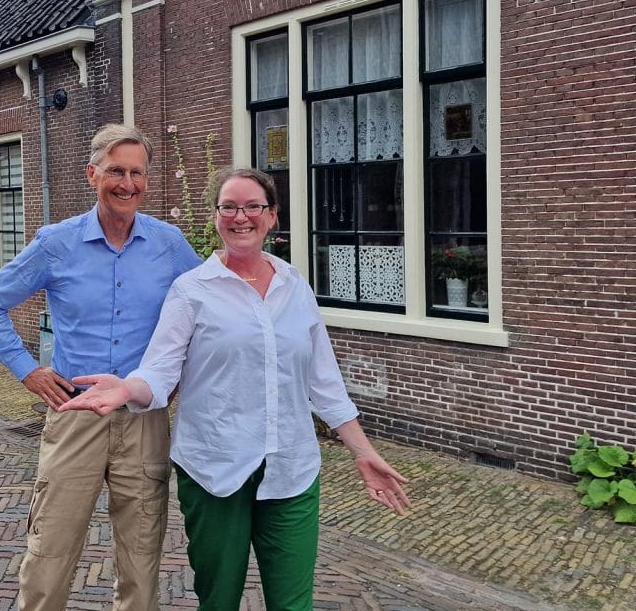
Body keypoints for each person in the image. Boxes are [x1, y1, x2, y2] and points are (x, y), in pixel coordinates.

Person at [58, 167, 410, 611]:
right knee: (219, 599)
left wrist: (363, 452)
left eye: (252, 206)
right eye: (229, 207)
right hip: (213, 470)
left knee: (293, 605)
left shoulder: (295, 285)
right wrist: (128, 389)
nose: (240, 217)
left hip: (292, 468)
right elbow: (160, 372)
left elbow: (323, 380)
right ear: (216, 217)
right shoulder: (192, 290)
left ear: (272, 216)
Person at [0, 123, 202, 611]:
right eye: (116, 171)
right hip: (75, 414)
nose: (127, 184)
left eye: (137, 173)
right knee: (50, 548)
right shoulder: (57, 243)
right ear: (92, 174)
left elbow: (207, 311)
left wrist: (177, 376)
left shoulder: (169, 244)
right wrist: (28, 370)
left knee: (142, 554)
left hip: (144, 420)